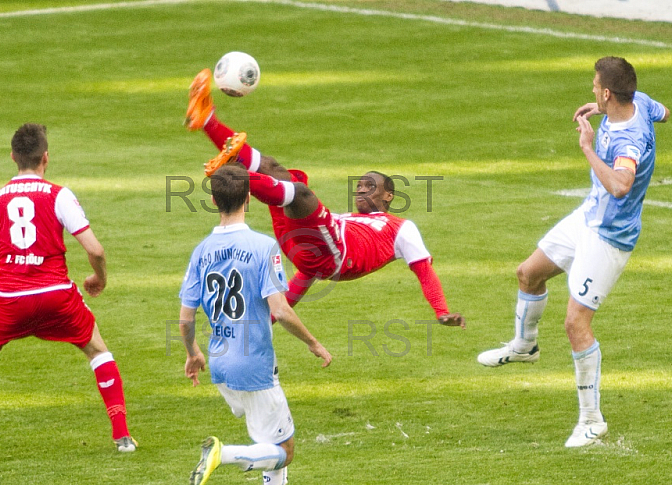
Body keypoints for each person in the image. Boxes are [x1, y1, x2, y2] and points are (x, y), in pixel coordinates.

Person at [476, 57, 670, 447]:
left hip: (609, 235)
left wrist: (586, 147)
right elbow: (665, 113)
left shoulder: (625, 141)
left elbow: (620, 185)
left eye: (595, 87)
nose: (592, 89)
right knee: (528, 273)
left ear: (607, 90)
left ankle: (592, 420)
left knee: (575, 323)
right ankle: (524, 346)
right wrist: (601, 109)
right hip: (587, 216)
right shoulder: (643, 102)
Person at [184, 69, 465, 329]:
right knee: (274, 168)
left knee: (301, 193)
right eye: (358, 185)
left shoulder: (401, 227)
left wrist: (441, 311)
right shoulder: (347, 219)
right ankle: (207, 119)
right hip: (306, 242)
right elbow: (306, 273)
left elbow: (423, 271)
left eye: (369, 185)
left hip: (337, 254)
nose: (360, 189)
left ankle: (234, 174)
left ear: (389, 195)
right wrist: (271, 319)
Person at [0, 123, 137, 453]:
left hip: (8, 299)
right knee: (99, 352)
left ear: (12, 157)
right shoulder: (59, 195)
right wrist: (99, 278)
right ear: (46, 158)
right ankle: (122, 437)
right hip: (57, 296)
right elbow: (95, 250)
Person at [179, 163, 332, 485]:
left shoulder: (201, 250)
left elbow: (185, 319)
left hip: (220, 364)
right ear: (249, 198)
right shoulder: (264, 247)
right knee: (284, 451)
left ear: (215, 200)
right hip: (255, 366)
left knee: (267, 437)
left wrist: (192, 354)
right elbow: (280, 309)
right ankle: (223, 453)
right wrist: (313, 343)